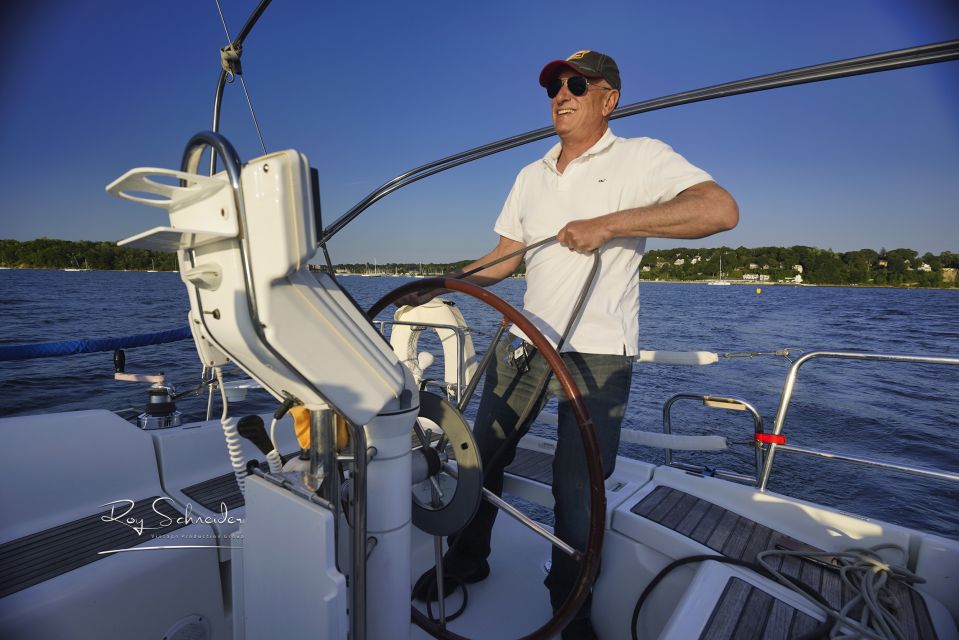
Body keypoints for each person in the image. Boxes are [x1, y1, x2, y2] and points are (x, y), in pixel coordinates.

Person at [402, 50, 738, 639]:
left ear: (608, 98)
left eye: (577, 84)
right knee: (479, 455)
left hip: (598, 350)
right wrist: (446, 282)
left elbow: (719, 210)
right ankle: (466, 558)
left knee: (577, 488)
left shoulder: (642, 157)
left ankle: (570, 604)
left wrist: (610, 223)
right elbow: (506, 256)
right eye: (554, 85)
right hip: (524, 340)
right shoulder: (531, 175)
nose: (562, 93)